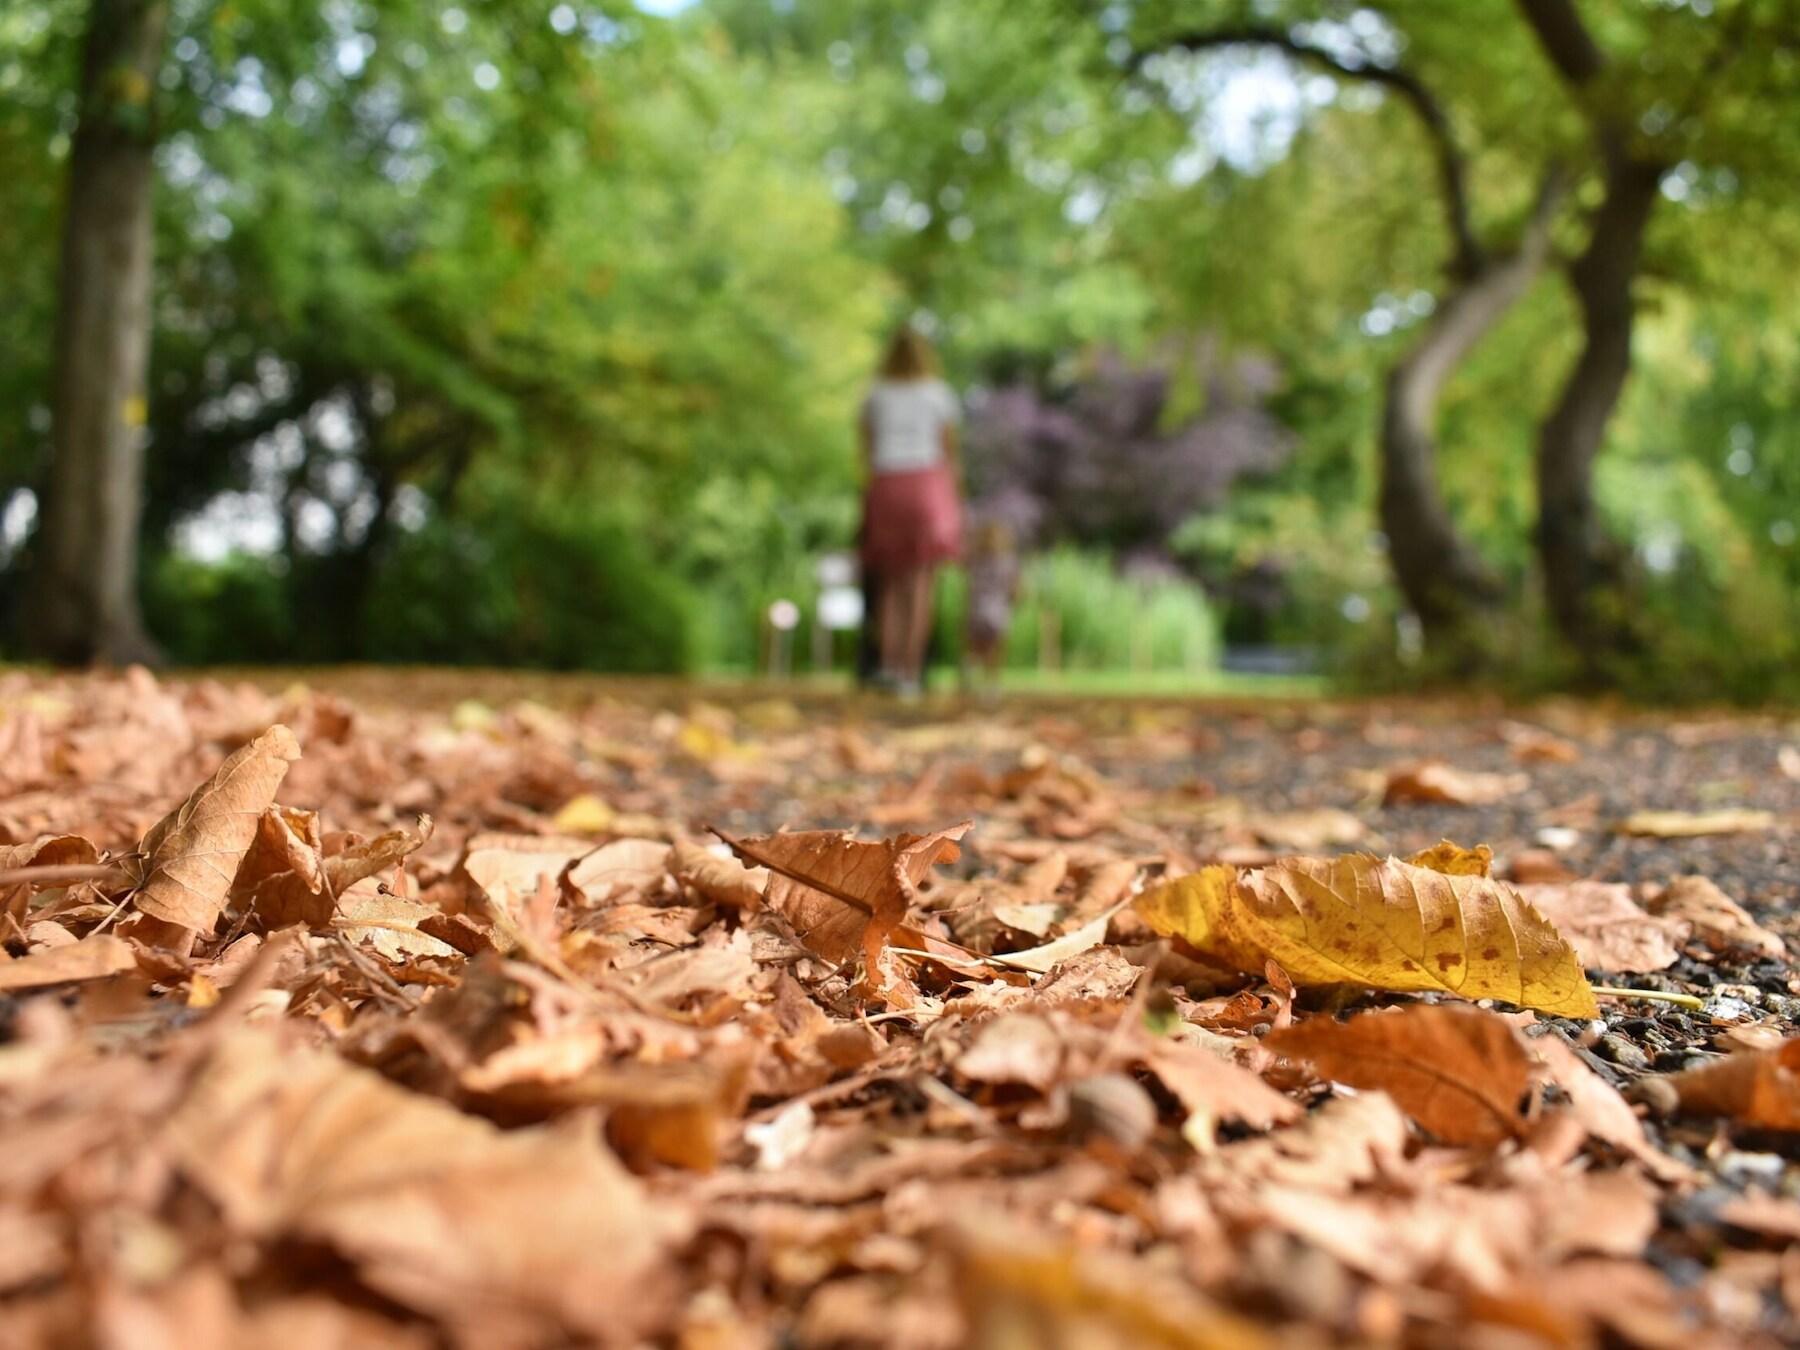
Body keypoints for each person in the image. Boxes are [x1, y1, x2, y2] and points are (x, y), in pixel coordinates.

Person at [858, 326, 963, 696]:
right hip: (925, 486)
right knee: (920, 584)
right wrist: (954, 504)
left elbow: (865, 451)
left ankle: (888, 665)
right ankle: (910, 673)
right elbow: (949, 453)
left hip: (886, 484)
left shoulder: (874, 394)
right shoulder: (938, 394)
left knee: (890, 582)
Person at [963, 518, 1020, 700]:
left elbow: (968, 586)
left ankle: (972, 663)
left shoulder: (975, 563)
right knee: (994, 651)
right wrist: (1015, 600)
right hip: (997, 613)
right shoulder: (1008, 563)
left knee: (975, 646)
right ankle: (991, 684)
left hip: (976, 611)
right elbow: (1015, 589)